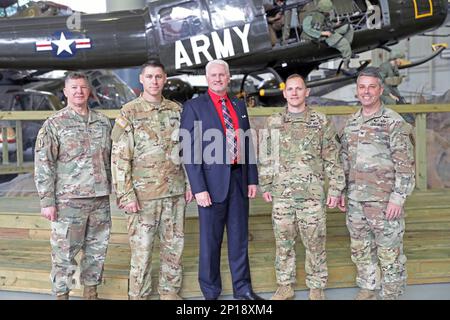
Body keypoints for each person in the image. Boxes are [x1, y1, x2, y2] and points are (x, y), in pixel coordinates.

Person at [180, 59, 262, 300]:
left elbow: (247, 143)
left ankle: (243, 289)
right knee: (210, 242)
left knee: (239, 239)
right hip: (210, 184)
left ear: (228, 78)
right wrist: (198, 188)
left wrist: (252, 179)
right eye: (213, 75)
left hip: (238, 179)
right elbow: (189, 149)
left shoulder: (238, 105)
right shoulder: (194, 107)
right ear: (207, 79)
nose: (218, 79)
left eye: (222, 75)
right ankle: (211, 291)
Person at [111, 60, 193, 300]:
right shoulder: (129, 111)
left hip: (174, 193)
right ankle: (139, 295)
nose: (154, 81)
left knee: (174, 249)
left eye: (158, 76)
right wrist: (126, 195)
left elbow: (186, 151)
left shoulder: (177, 111)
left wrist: (189, 184)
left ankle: (169, 292)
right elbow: (119, 158)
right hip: (142, 196)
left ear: (165, 79)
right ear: (141, 79)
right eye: (149, 77)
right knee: (142, 251)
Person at [259, 74, 345, 300]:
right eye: (290, 89)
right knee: (283, 242)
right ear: (284, 93)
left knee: (315, 241)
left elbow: (331, 158)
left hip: (312, 195)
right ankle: (285, 285)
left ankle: (316, 286)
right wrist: (266, 183)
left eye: (299, 89)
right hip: (282, 194)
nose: (295, 93)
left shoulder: (320, 121)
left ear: (306, 92)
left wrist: (336, 189)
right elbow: (267, 155)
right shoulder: (274, 121)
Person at [34, 72, 112, 300]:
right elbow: (44, 164)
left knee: (96, 252)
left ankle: (91, 293)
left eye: (83, 87)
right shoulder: (54, 124)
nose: (79, 91)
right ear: (65, 92)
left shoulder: (103, 122)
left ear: (89, 91)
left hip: (99, 199)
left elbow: (111, 159)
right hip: (69, 201)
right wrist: (47, 201)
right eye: (74, 87)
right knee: (64, 254)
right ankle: (62, 295)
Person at [339, 67, 415, 300]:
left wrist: (398, 198)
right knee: (361, 248)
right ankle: (369, 288)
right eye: (362, 87)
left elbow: (405, 164)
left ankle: (391, 294)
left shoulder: (393, 121)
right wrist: (342, 191)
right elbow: (344, 160)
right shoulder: (351, 122)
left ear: (380, 90)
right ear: (357, 91)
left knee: (389, 251)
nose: (366, 91)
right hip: (355, 201)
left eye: (372, 87)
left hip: (384, 201)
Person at [302, 0, 354, 70]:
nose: (330, 11)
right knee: (344, 43)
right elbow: (307, 29)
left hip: (328, 32)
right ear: (324, 9)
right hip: (321, 37)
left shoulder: (324, 15)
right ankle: (346, 65)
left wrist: (336, 24)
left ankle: (348, 51)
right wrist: (322, 33)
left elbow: (327, 24)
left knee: (349, 27)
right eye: (329, 10)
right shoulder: (311, 16)